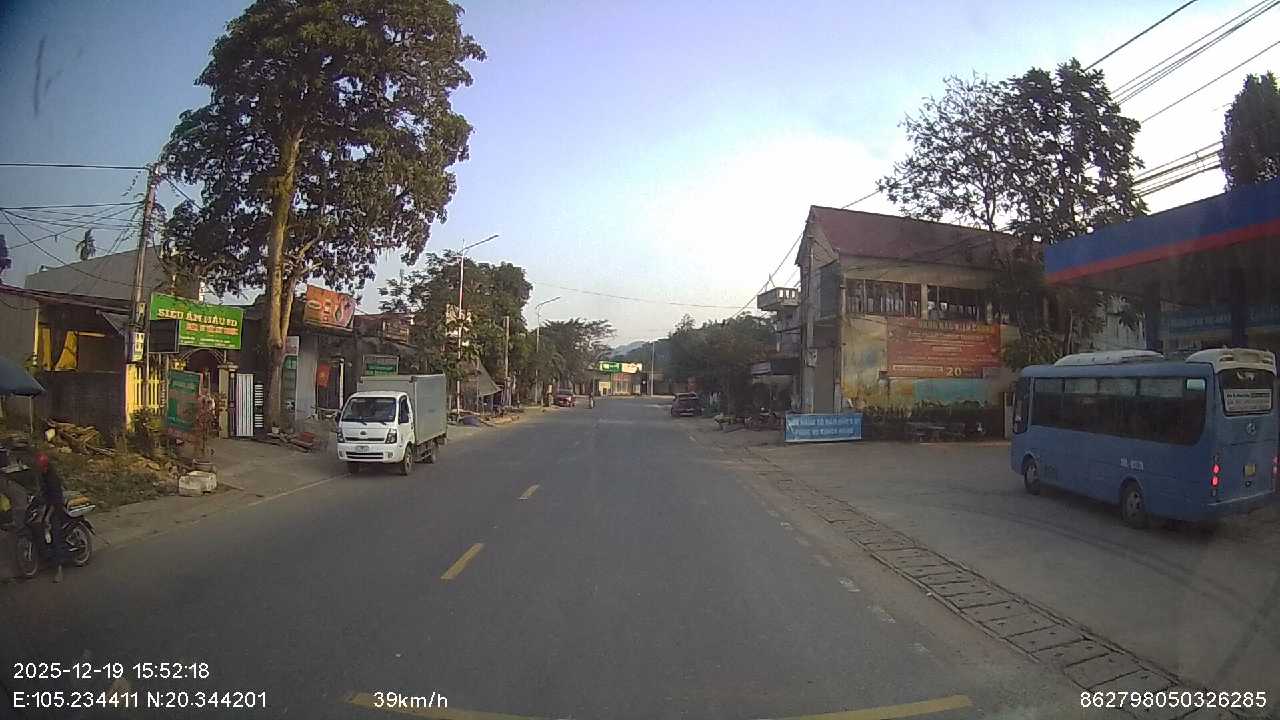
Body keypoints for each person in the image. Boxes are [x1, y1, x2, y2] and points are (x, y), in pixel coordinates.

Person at [31, 451, 67, 583]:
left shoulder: (52, 478)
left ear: (44, 466)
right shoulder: (43, 476)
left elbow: (55, 500)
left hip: (55, 509)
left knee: (54, 535)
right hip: (47, 505)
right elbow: (42, 493)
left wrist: (47, 517)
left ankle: (59, 570)